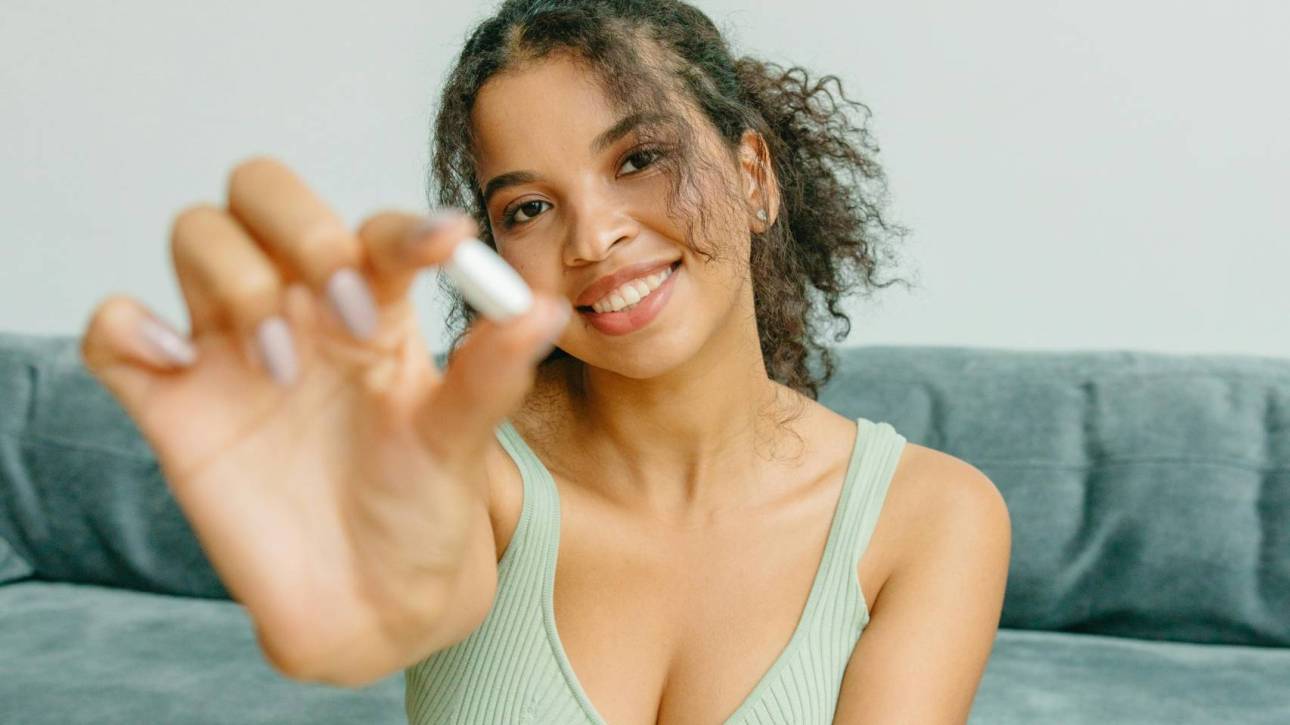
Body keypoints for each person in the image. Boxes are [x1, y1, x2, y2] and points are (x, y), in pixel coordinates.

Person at [79, 0, 1012, 722]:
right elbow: (417, 573)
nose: (595, 238)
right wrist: (368, 589)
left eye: (639, 157)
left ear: (754, 176)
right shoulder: (470, 472)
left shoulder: (931, 519)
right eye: (528, 208)